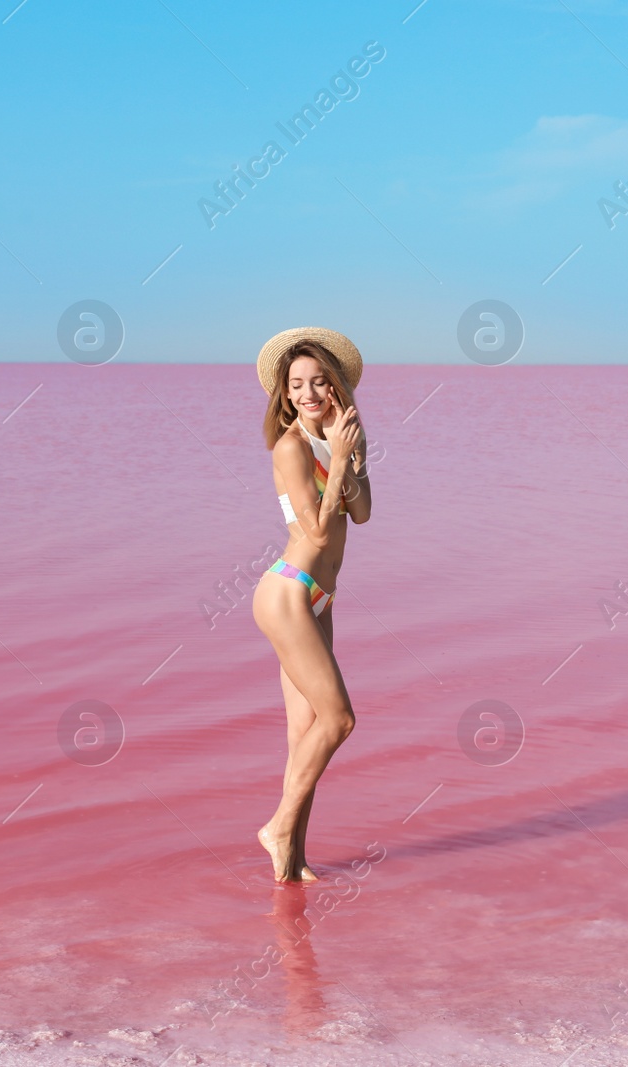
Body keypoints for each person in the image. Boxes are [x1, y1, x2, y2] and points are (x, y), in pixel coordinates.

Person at [250, 327, 372, 882]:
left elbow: (363, 513)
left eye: (319, 382)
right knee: (340, 719)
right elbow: (318, 535)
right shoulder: (292, 446)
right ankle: (277, 828)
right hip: (289, 592)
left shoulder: (338, 437)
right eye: (297, 384)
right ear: (284, 392)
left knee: (307, 736)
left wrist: (352, 452)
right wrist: (340, 459)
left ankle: (291, 861)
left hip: (320, 600)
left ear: (336, 387)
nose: (308, 393)